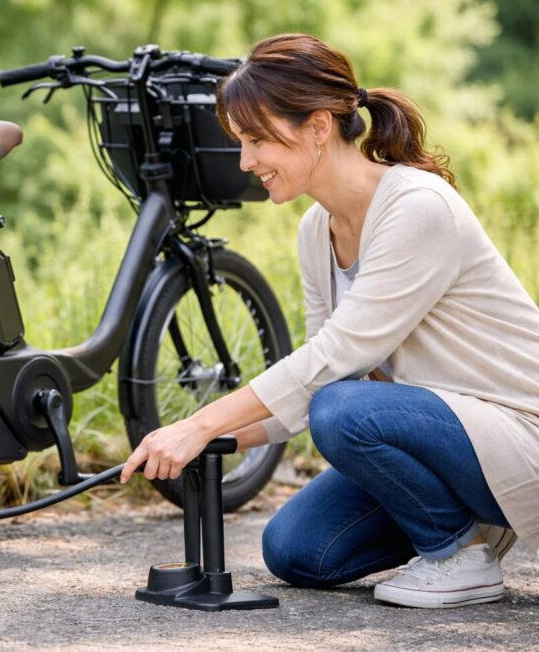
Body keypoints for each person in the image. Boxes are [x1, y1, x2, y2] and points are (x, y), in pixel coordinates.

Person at [120, 33, 539, 609]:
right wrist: (208, 442)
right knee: (297, 551)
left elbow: (331, 365)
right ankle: (458, 532)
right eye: (240, 143)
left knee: (340, 411)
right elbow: (314, 382)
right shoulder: (317, 231)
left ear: (318, 126)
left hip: (519, 432)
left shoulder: (417, 206)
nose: (246, 162)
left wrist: (197, 423)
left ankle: (458, 555)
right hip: (444, 439)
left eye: (258, 140)